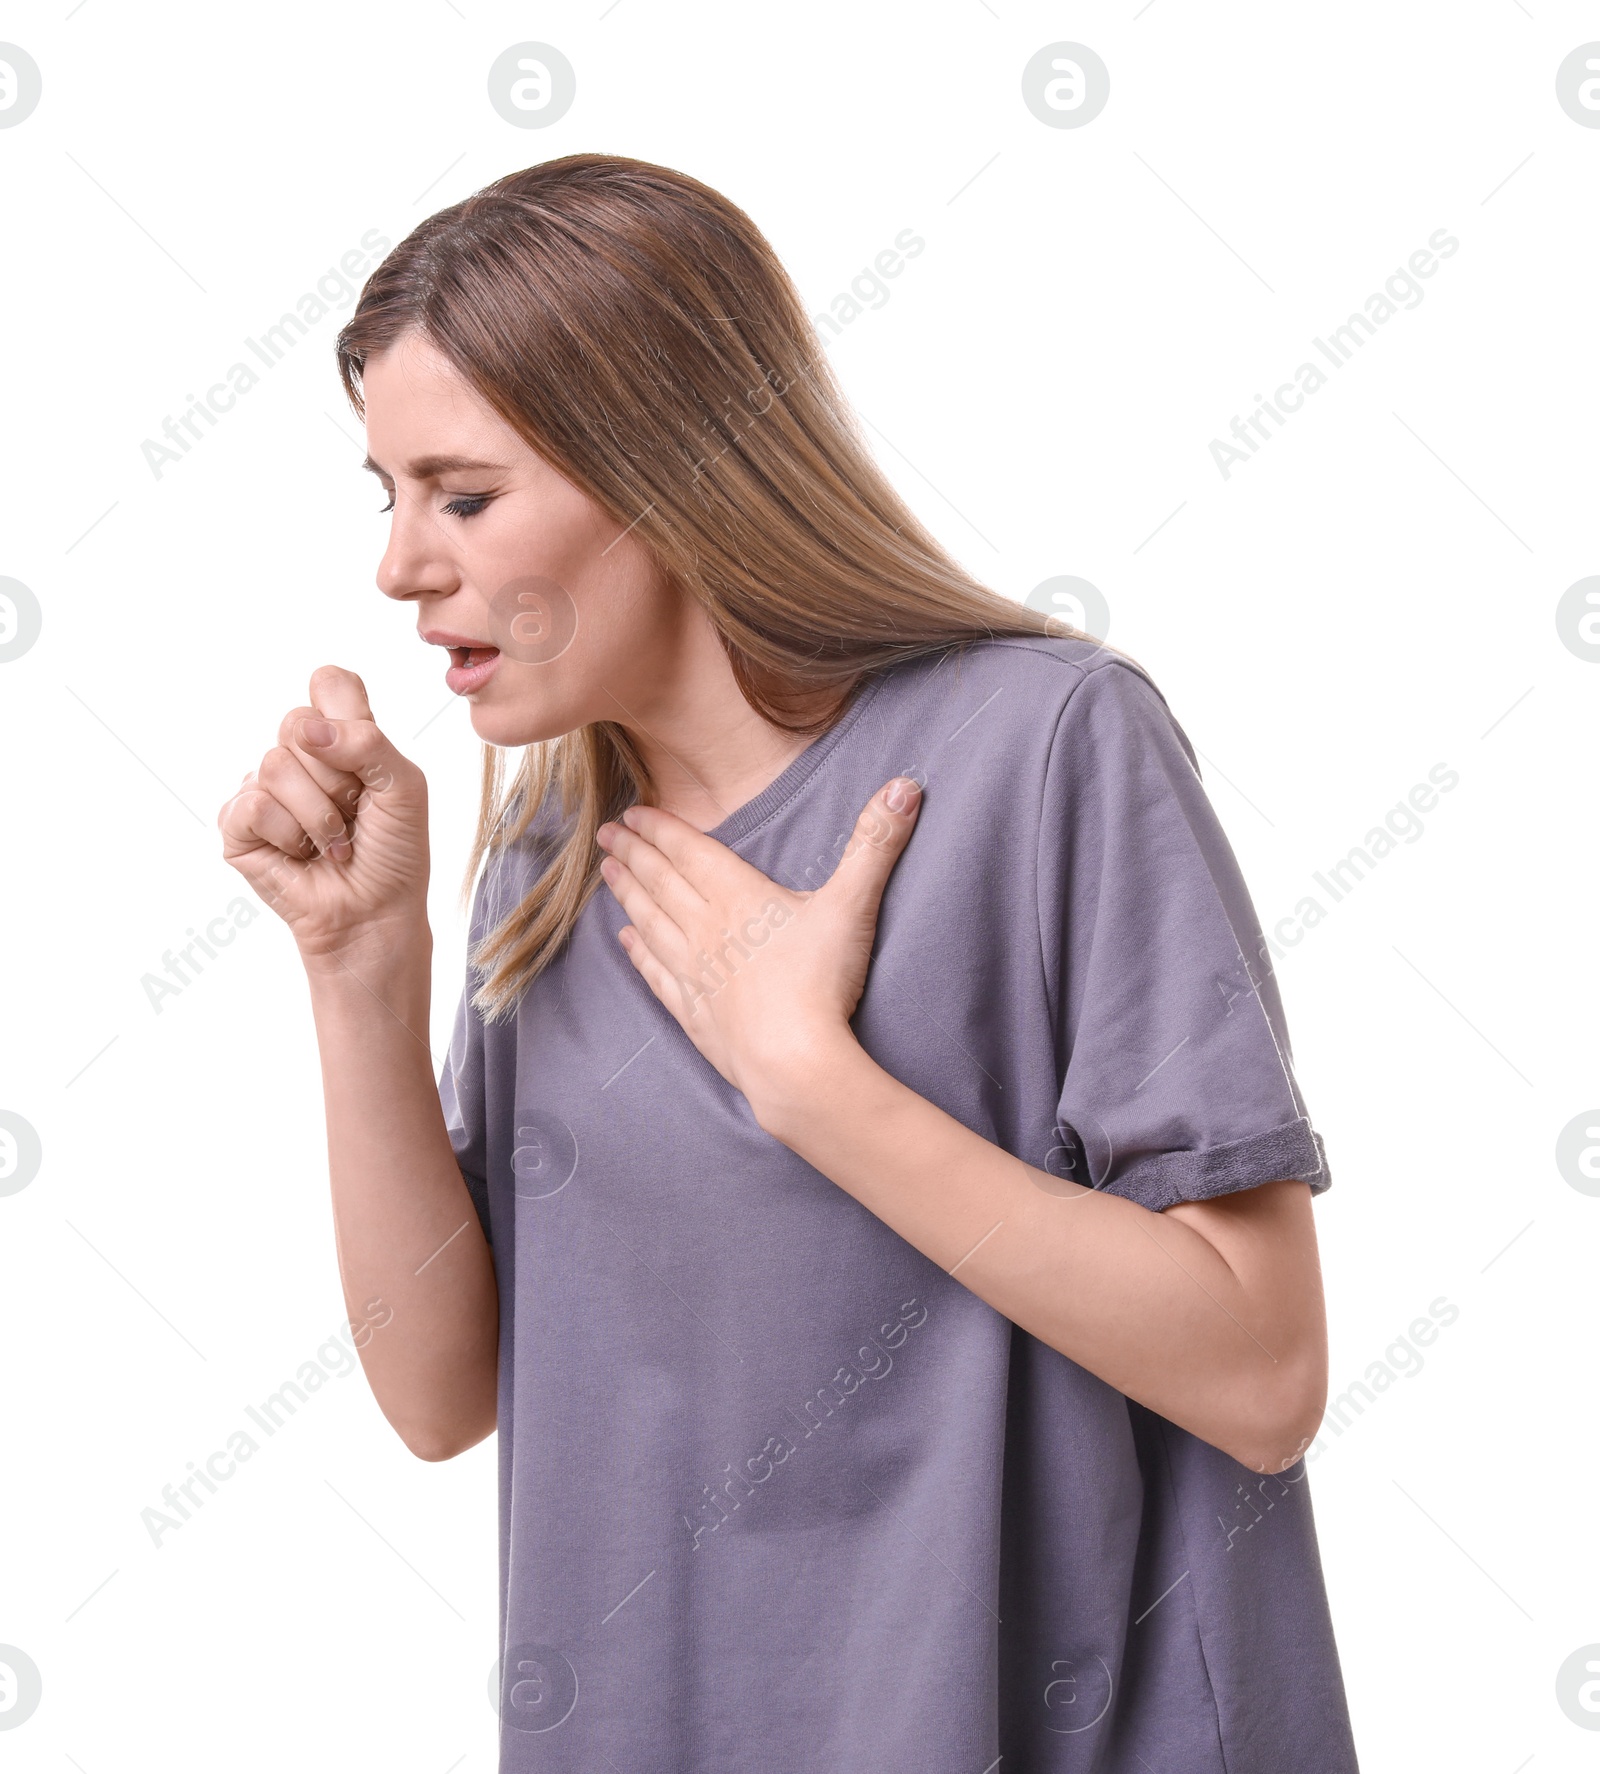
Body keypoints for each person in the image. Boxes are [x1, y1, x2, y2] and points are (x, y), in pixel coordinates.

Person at [218, 154, 1360, 1773]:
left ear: (667, 467)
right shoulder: (557, 853)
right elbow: (441, 1389)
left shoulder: (1044, 749)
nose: (401, 565)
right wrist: (357, 967)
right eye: (386, 494)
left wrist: (810, 1080)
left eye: (461, 495)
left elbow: (1264, 1371)